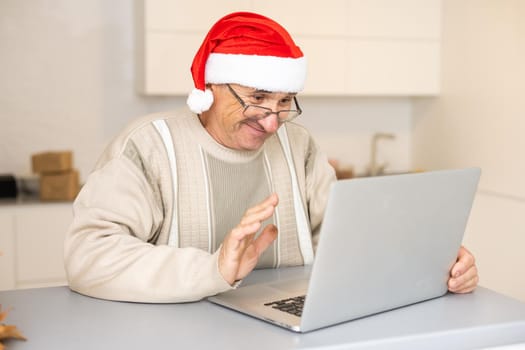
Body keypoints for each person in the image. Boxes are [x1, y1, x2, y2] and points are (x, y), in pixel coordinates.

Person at [64, 12, 479, 303]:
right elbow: (90, 258)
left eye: (284, 102)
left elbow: (346, 241)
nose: (272, 123)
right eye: (258, 98)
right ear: (211, 87)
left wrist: (432, 262)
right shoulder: (148, 146)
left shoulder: (298, 146)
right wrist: (214, 270)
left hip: (290, 327)